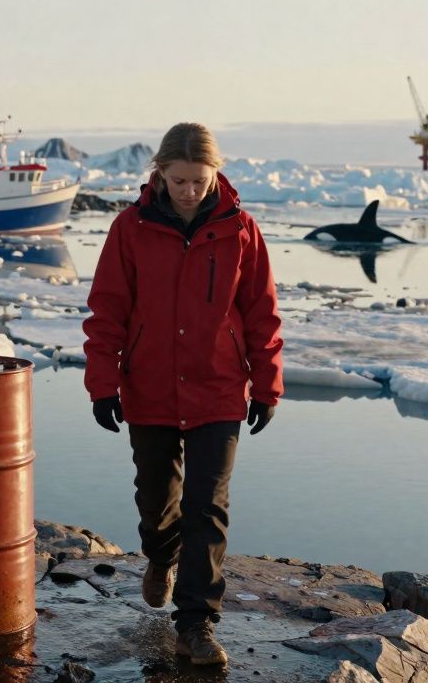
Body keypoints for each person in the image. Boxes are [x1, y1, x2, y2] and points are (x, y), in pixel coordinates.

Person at [82, 122, 283, 667]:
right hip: (148, 387)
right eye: (178, 180)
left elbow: (261, 313)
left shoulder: (241, 229)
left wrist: (266, 385)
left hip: (218, 389)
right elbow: (108, 310)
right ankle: (159, 555)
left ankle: (196, 626)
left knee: (207, 507)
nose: (189, 191)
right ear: (160, 174)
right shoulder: (131, 228)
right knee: (157, 502)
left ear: (215, 174)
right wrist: (103, 383)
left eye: (198, 180)